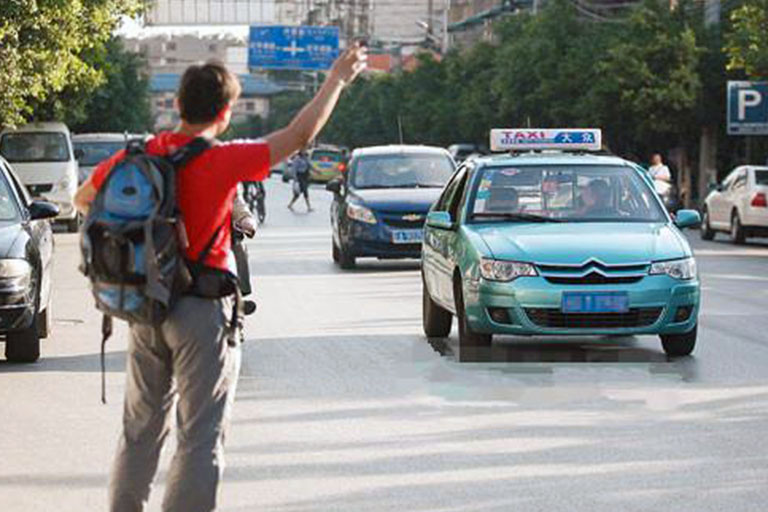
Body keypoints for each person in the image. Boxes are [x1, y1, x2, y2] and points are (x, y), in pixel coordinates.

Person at [74, 45, 366, 512]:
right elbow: (299, 134)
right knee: (199, 434)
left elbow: (83, 199)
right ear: (226, 113)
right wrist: (336, 79)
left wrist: (150, 237)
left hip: (145, 305)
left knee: (140, 429)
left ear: (177, 105)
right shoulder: (223, 159)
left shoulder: (138, 156)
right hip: (201, 310)